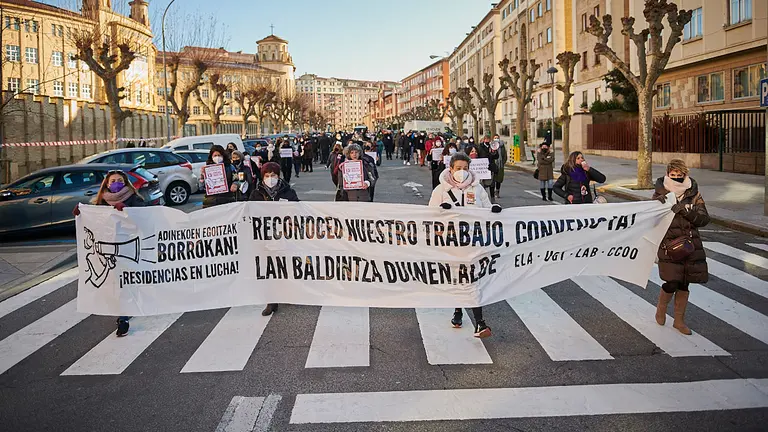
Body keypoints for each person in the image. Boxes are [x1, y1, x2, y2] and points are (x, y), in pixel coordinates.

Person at [428, 152, 500, 338]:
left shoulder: (477, 189)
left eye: (465, 169)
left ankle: (479, 323)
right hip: (450, 245)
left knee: (472, 281)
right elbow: (429, 215)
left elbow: (486, 209)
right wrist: (441, 213)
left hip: (473, 243)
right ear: (450, 169)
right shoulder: (440, 190)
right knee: (459, 280)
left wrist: (495, 211)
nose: (462, 172)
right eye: (458, 168)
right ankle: (458, 311)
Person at [73, 170, 145, 337]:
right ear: (106, 184)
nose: (116, 183)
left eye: (120, 180)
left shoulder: (135, 198)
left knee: (127, 283)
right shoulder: (100, 202)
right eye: (113, 180)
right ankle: (123, 318)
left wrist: (127, 210)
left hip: (129, 246)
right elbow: (93, 222)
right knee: (118, 284)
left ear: (126, 183)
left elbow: (144, 217)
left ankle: (128, 311)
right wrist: (81, 215)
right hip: (110, 249)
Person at [652, 160, 710, 335]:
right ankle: (661, 309)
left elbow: (704, 219)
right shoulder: (659, 193)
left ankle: (679, 320)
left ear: (685, 174)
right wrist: (657, 205)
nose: (676, 176)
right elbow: (651, 220)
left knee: (685, 283)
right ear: (668, 173)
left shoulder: (694, 194)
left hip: (690, 245)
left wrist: (685, 210)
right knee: (671, 281)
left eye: (680, 173)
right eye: (673, 173)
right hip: (669, 244)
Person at [249, 162, 300, 316]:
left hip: (284, 235)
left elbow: (298, 209)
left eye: (273, 176)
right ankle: (271, 301)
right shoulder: (256, 194)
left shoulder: (288, 192)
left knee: (285, 266)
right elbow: (249, 213)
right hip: (264, 235)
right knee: (268, 267)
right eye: (267, 176)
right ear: (262, 177)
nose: (270, 179)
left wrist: (293, 220)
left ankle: (288, 293)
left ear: (279, 176)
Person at [490, 135, 508, 200]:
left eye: (497, 138)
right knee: (493, 179)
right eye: (495, 138)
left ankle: (497, 191)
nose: (496, 139)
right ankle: (492, 192)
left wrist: (502, 162)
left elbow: (505, 156)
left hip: (500, 165)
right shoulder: (491, 145)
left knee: (499, 180)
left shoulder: (502, 146)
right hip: (493, 164)